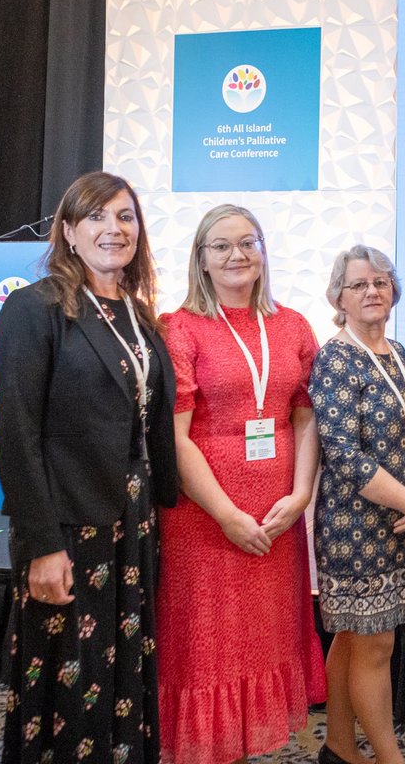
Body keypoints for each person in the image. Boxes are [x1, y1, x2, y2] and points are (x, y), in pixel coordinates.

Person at [0, 171, 177, 763]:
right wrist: (42, 545)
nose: (113, 229)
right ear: (69, 232)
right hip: (68, 528)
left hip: (134, 522)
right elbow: (16, 436)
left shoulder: (140, 317)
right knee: (71, 680)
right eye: (96, 217)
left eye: (125, 216)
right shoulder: (35, 309)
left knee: (123, 668)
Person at [155, 205, 327, 763]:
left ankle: (242, 749)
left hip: (277, 517)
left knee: (260, 644)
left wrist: (300, 496)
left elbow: (305, 415)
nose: (237, 256)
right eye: (222, 246)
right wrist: (228, 515)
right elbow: (174, 437)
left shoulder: (293, 324)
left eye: (248, 243)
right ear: (201, 260)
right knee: (207, 652)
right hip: (204, 520)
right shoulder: (178, 328)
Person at [311, 245, 405, 764]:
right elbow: (343, 455)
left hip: (403, 520)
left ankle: (339, 748)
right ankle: (392, 759)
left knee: (352, 639)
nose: (372, 291)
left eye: (381, 282)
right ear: (339, 296)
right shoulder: (334, 358)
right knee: (375, 647)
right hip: (354, 526)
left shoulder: (401, 354)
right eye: (359, 284)